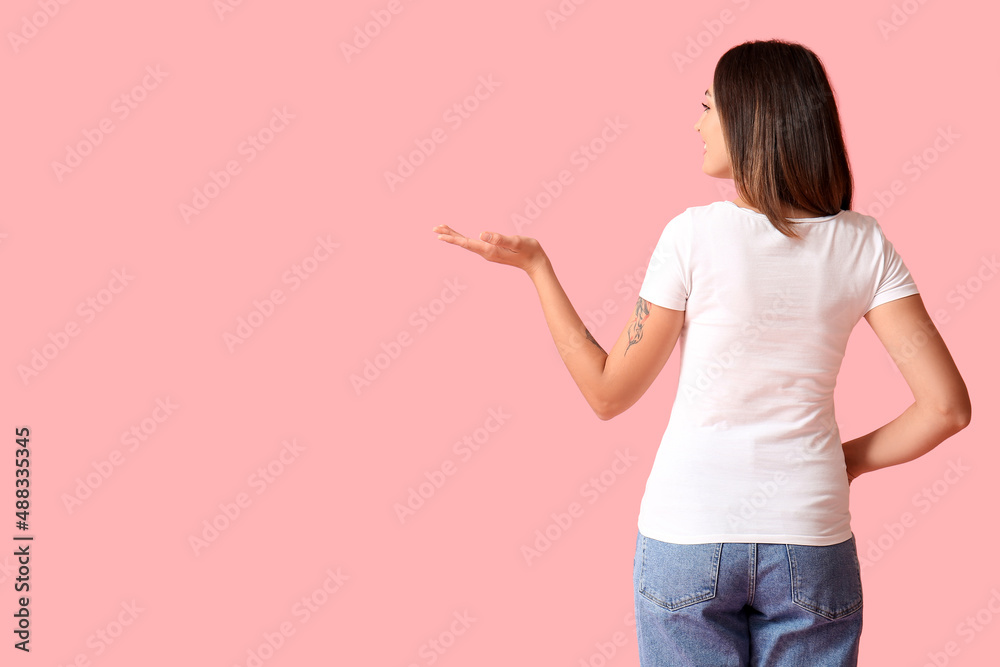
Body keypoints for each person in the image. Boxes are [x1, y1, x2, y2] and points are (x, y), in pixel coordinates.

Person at [431, 38, 971, 667]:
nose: (698, 123)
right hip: (810, 536)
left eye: (709, 105)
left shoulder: (692, 236)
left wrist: (537, 269)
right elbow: (946, 409)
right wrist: (839, 462)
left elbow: (608, 393)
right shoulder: (862, 244)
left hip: (688, 534)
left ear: (751, 119)